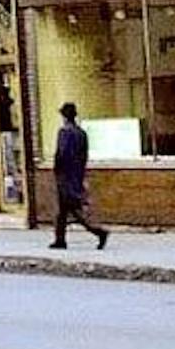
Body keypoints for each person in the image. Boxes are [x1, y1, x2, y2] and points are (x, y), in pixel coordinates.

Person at [49, 101, 109, 250]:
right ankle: (60, 240)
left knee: (71, 209)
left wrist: (57, 171)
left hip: (65, 176)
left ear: (64, 116)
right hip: (76, 175)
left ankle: (98, 232)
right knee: (63, 211)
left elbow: (61, 154)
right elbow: (84, 156)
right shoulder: (82, 133)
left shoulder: (64, 132)